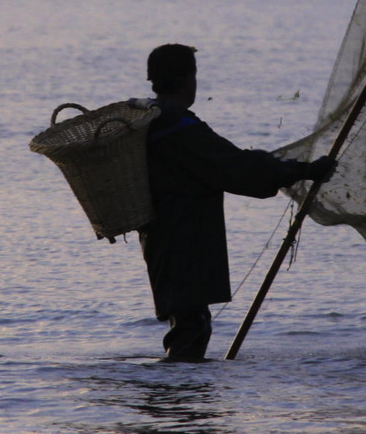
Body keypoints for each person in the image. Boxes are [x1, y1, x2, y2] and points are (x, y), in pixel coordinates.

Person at [140, 44, 335, 361]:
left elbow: (234, 165)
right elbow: (238, 169)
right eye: (194, 74)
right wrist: (305, 170)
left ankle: (178, 402)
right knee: (191, 326)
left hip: (161, 239)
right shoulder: (179, 129)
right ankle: (179, 404)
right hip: (182, 240)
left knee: (189, 321)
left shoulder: (150, 120)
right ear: (187, 79)